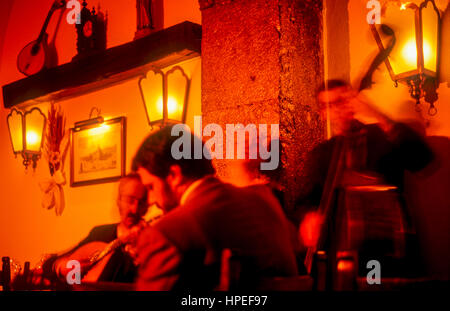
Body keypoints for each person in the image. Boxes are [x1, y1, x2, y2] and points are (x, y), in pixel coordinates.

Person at [132, 125, 298, 290]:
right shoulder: (266, 201)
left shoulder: (165, 234)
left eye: (151, 187)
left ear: (174, 176)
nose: (151, 200)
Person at [295, 80, 434, 277]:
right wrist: (307, 218)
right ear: (322, 113)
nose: (338, 109)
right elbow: (306, 201)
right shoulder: (321, 154)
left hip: (386, 251)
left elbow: (423, 160)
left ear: (354, 102)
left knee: (376, 284)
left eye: (342, 100)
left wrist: (378, 116)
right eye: (329, 105)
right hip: (340, 251)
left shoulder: (382, 136)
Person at [40, 174, 150, 284]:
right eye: (130, 200)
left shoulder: (154, 241)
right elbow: (51, 266)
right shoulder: (100, 234)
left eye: (141, 202)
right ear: (119, 200)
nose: (135, 209)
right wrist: (62, 268)